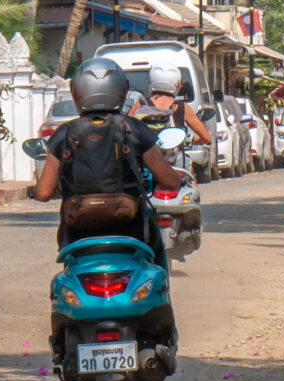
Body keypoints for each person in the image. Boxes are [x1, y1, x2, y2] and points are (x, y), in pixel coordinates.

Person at [29, 56, 188, 266]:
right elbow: (171, 182)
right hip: (132, 229)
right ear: (121, 91)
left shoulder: (64, 134)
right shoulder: (135, 129)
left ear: (77, 93)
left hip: (76, 233)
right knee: (156, 259)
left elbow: (42, 193)